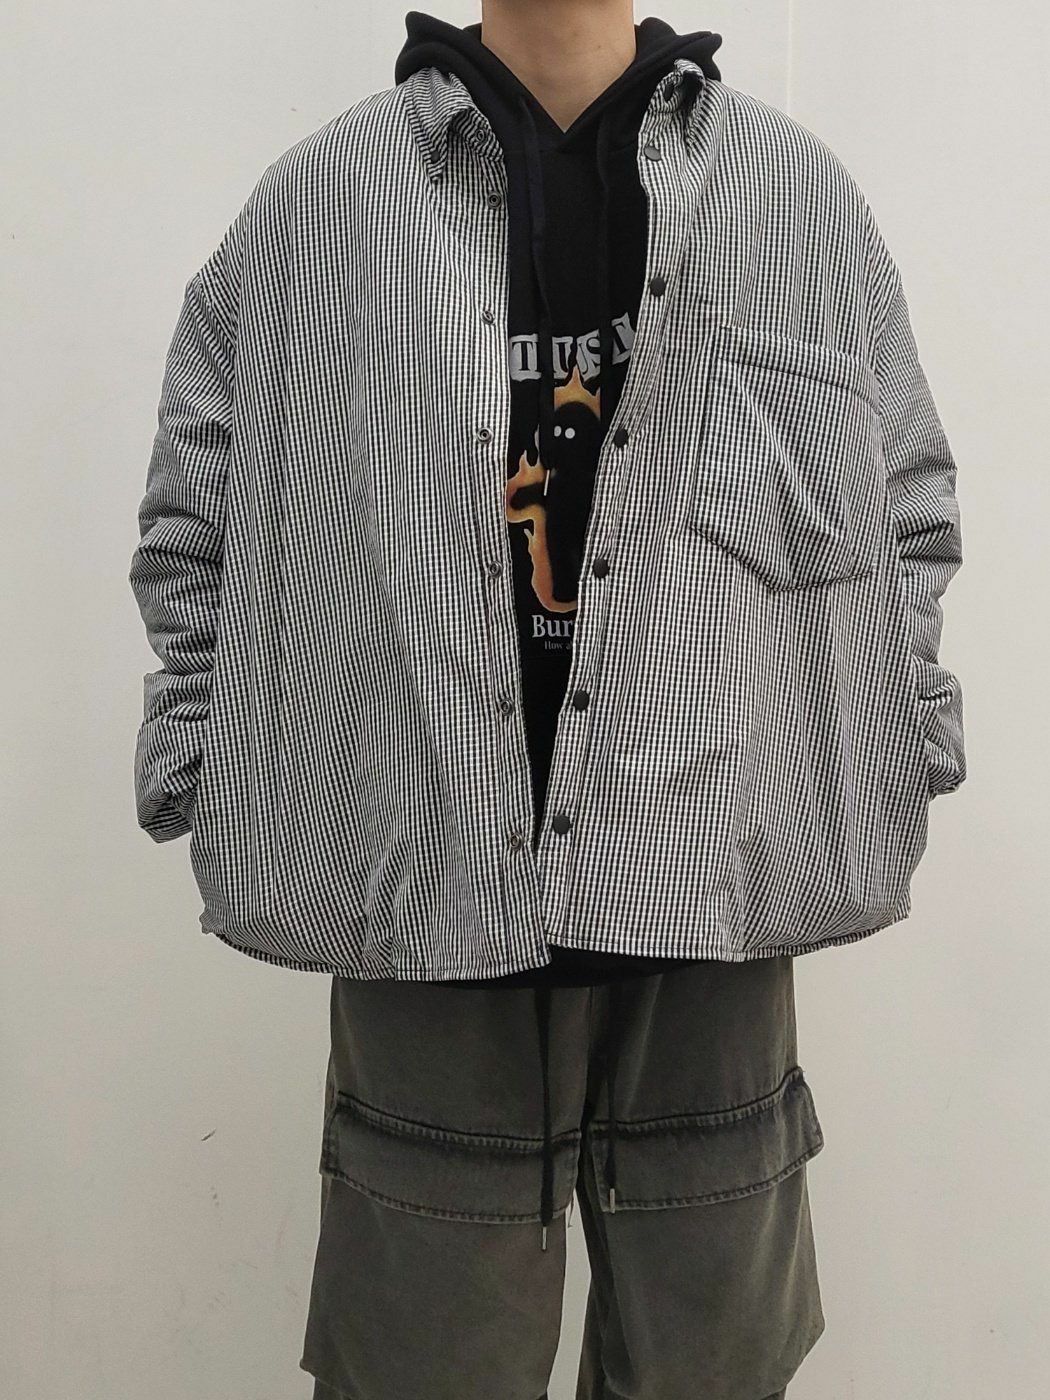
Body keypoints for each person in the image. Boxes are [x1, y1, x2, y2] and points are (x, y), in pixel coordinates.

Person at [128, 3, 966, 1396]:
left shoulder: (791, 195)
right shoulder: (320, 206)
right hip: (423, 878)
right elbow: (194, 518)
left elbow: (904, 509)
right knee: (422, 1370)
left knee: (710, 1365)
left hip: (709, 876)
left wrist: (886, 732)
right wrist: (215, 759)